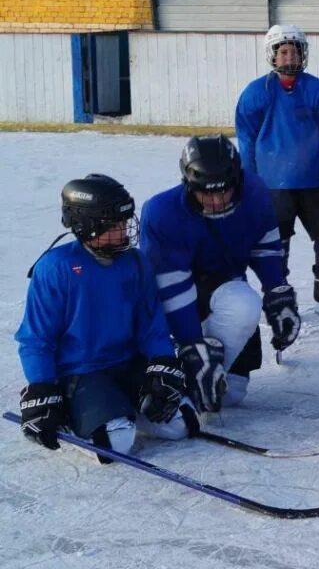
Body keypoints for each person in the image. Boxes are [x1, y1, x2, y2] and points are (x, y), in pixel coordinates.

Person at [15, 175, 191, 456]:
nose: (123, 231)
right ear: (86, 225)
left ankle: (124, 407)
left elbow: (151, 325)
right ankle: (80, 412)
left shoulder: (136, 262)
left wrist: (162, 363)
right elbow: (36, 339)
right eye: (114, 225)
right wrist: (43, 388)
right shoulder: (55, 267)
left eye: (124, 222)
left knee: (181, 424)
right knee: (115, 443)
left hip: (127, 363)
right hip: (82, 373)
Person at [141, 136, 299, 414]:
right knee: (199, 373)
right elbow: (172, 289)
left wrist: (278, 291)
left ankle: (209, 372)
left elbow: (265, 245)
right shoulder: (162, 212)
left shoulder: (256, 192)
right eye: (205, 193)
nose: (215, 201)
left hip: (225, 285)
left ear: (237, 181)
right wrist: (192, 347)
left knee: (231, 395)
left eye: (223, 191)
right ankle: (185, 368)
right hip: (175, 297)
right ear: (188, 186)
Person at [235, 23, 319, 308]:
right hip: (273, 184)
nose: (289, 57)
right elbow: (246, 138)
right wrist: (248, 179)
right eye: (283, 52)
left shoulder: (318, 91)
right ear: (272, 56)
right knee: (276, 241)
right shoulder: (256, 93)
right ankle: (278, 290)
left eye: (294, 52)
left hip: (314, 181)